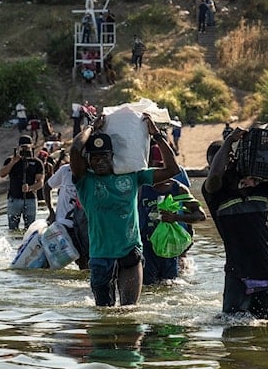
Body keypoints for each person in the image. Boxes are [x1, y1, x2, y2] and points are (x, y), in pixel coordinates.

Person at [202, 127, 268, 320]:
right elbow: (214, 177)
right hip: (238, 272)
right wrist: (228, 141)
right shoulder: (215, 192)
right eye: (216, 162)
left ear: (235, 157)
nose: (222, 165)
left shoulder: (262, 187)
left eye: (227, 158)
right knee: (232, 327)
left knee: (265, 331)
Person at [70, 115, 180, 306]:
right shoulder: (85, 180)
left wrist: (157, 136)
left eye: (104, 156)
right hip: (100, 256)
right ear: (89, 160)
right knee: (104, 312)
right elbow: (75, 149)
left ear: (113, 156)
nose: (99, 162)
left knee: (129, 312)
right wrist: (90, 127)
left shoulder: (132, 177)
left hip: (129, 251)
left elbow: (172, 169)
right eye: (94, 158)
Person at [137, 177, 205, 285]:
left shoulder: (178, 189)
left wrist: (176, 217)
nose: (160, 172)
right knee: (147, 286)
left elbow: (200, 215)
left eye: (164, 167)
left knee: (170, 284)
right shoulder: (140, 188)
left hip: (170, 248)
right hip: (147, 248)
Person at [45, 160, 89, 269]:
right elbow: (47, 187)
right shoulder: (65, 170)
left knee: (85, 260)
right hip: (63, 225)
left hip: (84, 226)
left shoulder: (93, 174)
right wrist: (51, 211)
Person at [0, 135, 45, 230]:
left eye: (27, 147)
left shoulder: (37, 162)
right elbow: (2, 174)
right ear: (19, 147)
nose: (24, 149)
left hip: (30, 199)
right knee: (12, 228)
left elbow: (40, 182)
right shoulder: (10, 160)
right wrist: (13, 162)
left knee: (31, 229)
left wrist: (30, 188)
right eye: (22, 147)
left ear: (31, 147)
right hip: (14, 199)